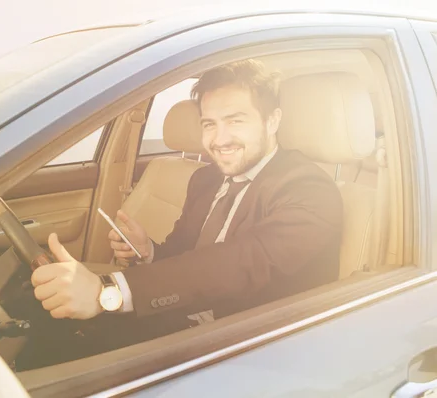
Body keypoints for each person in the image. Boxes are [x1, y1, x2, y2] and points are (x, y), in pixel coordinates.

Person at [30, 59, 343, 325]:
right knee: (42, 315)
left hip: (244, 343)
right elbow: (184, 256)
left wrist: (109, 292)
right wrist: (148, 250)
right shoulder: (206, 179)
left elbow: (242, 262)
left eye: (235, 121)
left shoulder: (309, 190)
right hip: (179, 319)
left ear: (272, 121)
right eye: (209, 125)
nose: (219, 140)